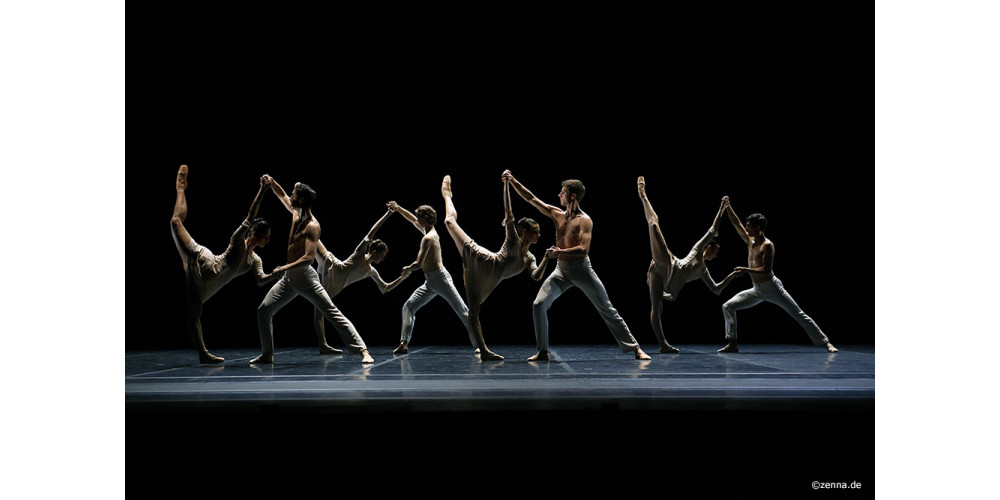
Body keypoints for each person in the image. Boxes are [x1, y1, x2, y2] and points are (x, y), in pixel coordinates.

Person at [505, 171, 651, 361]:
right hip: (561, 270)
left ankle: (635, 348)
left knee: (607, 308)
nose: (559, 195)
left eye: (562, 192)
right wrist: (513, 180)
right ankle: (543, 351)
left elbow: (583, 249)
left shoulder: (585, 220)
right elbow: (531, 198)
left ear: (572, 196)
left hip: (582, 270)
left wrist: (559, 252)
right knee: (538, 305)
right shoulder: (556, 213)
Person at [253, 176, 374, 364]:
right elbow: (282, 194)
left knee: (331, 312)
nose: (290, 197)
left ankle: (363, 351)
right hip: (289, 279)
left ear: (301, 200)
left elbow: (308, 258)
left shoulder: (312, 226)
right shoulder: (295, 212)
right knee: (264, 311)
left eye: (294, 195)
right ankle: (267, 354)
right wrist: (271, 182)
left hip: (305, 277)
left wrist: (284, 267)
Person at [169, 165, 278, 364]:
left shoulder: (255, 260)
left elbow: (261, 281)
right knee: (175, 222)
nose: (268, 241)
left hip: (208, 287)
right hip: (204, 263)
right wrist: (262, 190)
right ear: (256, 233)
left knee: (194, 314)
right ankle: (181, 188)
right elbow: (250, 216)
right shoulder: (238, 240)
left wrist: (279, 273)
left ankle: (203, 354)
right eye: (267, 237)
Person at [437, 174, 544, 361]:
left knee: (473, 313)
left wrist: (547, 258)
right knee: (448, 222)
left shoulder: (529, 258)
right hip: (482, 259)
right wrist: (506, 185)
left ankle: (483, 351)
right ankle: (447, 195)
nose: (539, 235)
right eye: (536, 231)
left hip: (489, 280)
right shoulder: (513, 241)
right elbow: (508, 213)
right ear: (525, 232)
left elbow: (536, 276)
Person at [637, 176, 744, 353]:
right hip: (668, 263)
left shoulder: (703, 270)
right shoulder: (697, 249)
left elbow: (716, 289)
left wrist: (733, 275)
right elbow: (712, 230)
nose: (716, 256)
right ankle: (643, 195)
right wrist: (722, 209)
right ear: (709, 248)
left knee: (658, 307)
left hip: (669, 283)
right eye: (715, 252)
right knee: (654, 225)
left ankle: (663, 345)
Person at [718, 196, 838, 353]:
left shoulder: (767, 246)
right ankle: (732, 344)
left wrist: (746, 270)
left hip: (772, 287)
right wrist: (728, 207)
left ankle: (826, 342)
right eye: (746, 227)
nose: (746, 229)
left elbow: (766, 270)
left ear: (758, 228)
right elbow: (736, 223)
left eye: (749, 227)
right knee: (728, 306)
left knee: (798, 314)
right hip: (757, 289)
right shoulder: (750, 241)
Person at [310, 204, 413, 353]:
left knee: (319, 310)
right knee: (311, 232)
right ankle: (296, 209)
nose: (383, 259)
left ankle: (323, 346)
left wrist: (402, 278)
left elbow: (385, 288)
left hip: (334, 286)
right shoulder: (359, 254)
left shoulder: (371, 271)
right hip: (330, 265)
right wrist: (387, 215)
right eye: (382, 256)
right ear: (375, 252)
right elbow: (371, 232)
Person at [392, 199, 483, 355]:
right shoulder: (427, 231)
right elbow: (411, 219)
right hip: (430, 281)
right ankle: (403, 343)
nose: (417, 220)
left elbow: (419, 263)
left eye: (419, 218)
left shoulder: (428, 238)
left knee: (463, 311)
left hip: (441, 280)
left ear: (426, 219)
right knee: (408, 307)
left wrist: (408, 268)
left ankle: (480, 346)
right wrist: (398, 208)